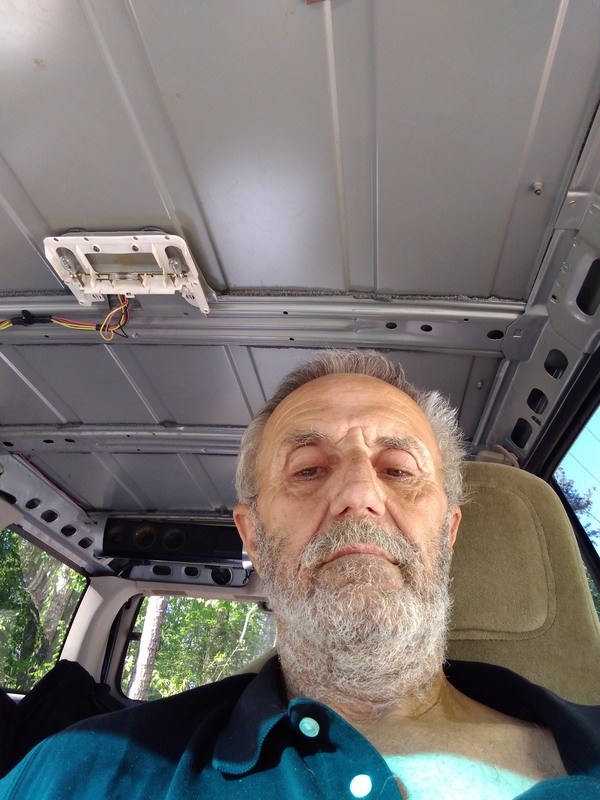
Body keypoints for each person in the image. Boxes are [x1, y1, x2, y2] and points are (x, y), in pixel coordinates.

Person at [0, 350, 599, 799]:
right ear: (253, 538)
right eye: (309, 470)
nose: (359, 492)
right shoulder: (81, 773)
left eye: (398, 469)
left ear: (448, 533)